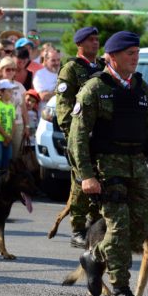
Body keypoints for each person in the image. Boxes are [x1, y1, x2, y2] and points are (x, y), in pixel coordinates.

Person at [69, 31, 148, 296]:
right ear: (111, 57)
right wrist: (86, 175)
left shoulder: (141, 88)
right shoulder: (94, 88)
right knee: (118, 228)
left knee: (142, 226)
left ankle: (95, 257)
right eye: (129, 53)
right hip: (107, 169)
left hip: (137, 167)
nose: (135, 58)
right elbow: (78, 137)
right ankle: (120, 288)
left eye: (137, 53)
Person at [55, 26, 106, 248]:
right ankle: (77, 230)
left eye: (97, 39)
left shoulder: (103, 67)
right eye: (90, 40)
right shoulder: (71, 69)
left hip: (102, 135)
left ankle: (93, 225)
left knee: (99, 179)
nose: (95, 43)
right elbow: (64, 108)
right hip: (81, 135)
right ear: (79, 44)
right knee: (80, 182)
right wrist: (73, 134)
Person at [0, 80, 17, 170]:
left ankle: (4, 182)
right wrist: (6, 136)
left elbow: (14, 123)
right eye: (9, 91)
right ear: (1, 92)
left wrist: (10, 137)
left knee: (7, 163)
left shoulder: (11, 106)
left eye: (11, 91)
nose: (11, 93)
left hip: (8, 139)